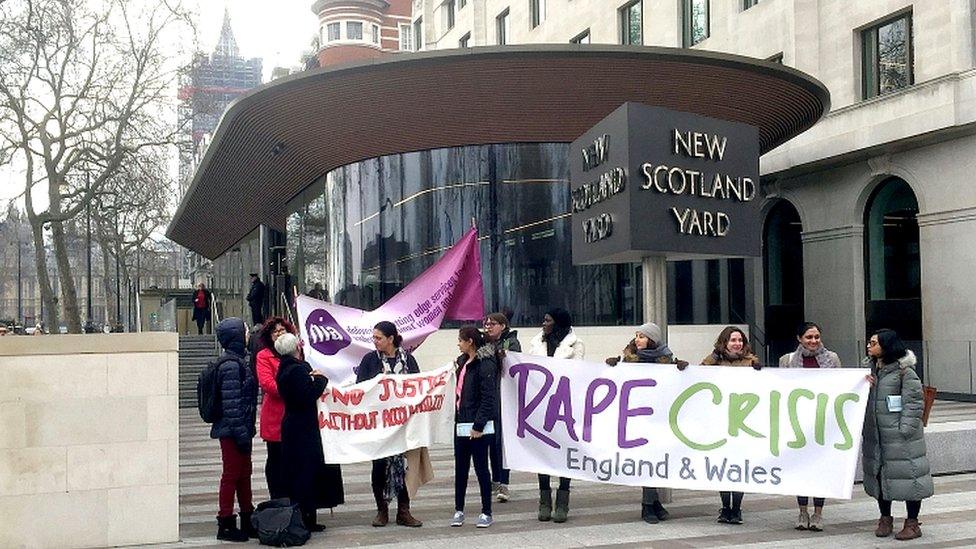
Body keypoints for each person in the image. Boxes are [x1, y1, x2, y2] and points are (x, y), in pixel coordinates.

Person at [606, 322, 686, 524]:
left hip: (659, 418)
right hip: (637, 417)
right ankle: (647, 506)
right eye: (636, 335)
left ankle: (654, 503)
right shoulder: (629, 360)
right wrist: (613, 367)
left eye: (642, 336)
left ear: (652, 339)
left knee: (656, 460)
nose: (637, 340)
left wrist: (681, 369)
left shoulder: (666, 360)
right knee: (646, 460)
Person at [863, 329, 933, 540]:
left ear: (886, 346)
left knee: (909, 479)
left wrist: (904, 431)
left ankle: (912, 522)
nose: (869, 346)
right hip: (878, 436)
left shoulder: (905, 372)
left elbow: (913, 405)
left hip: (901, 439)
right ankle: (885, 518)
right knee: (880, 476)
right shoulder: (871, 371)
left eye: (873, 343)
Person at [356, 321, 423, 528]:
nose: (374, 341)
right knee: (379, 467)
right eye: (373, 337)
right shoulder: (369, 360)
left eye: (378, 338)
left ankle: (404, 510)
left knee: (405, 466)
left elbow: (419, 386)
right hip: (379, 425)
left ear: (391, 339)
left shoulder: (408, 360)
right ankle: (382, 510)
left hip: (404, 425)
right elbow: (361, 389)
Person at [779, 321, 841, 531]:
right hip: (798, 424)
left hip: (824, 422)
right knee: (801, 468)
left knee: (820, 468)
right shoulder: (787, 361)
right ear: (799, 338)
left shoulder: (832, 359)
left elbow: (842, 387)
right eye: (809, 337)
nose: (813, 341)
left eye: (816, 337)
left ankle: (818, 513)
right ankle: (802, 511)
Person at [527, 308, 584, 523]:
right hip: (541, 407)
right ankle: (544, 501)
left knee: (563, 454)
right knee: (543, 455)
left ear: (558, 323)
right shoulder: (536, 343)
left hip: (564, 408)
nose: (543, 323)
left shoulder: (576, 345)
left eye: (547, 320)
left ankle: (563, 502)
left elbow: (578, 374)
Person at [700, 326, 761, 525]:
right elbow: (697, 377)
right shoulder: (714, 361)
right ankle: (725, 507)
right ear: (724, 342)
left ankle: (737, 508)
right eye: (733, 340)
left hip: (742, 423)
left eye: (740, 340)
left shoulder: (752, 363)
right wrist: (712, 358)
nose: (737, 344)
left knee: (739, 465)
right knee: (724, 466)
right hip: (720, 422)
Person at [209, 317, 258, 542]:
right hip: (232, 431)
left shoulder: (239, 361)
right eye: (245, 331)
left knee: (243, 475)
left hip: (239, 430)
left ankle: (247, 517)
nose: (248, 334)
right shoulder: (231, 366)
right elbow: (232, 405)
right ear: (236, 336)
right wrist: (241, 434)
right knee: (231, 475)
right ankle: (226, 523)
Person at [275, 332, 329, 532]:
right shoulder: (296, 371)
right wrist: (321, 381)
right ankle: (306, 517)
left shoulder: (285, 368)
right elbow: (307, 396)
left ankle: (306, 515)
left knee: (300, 471)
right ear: (297, 347)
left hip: (294, 425)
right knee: (305, 471)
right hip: (302, 427)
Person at [451, 326, 497, 529]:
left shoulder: (485, 364)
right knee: (460, 469)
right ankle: (459, 509)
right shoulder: (462, 362)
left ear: (470, 341)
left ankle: (486, 511)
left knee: (481, 469)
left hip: (478, 427)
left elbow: (489, 398)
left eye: (460, 340)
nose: (458, 344)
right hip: (461, 423)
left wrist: (478, 425)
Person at [254, 317, 296, 499]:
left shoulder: (297, 352)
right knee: (276, 459)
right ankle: (278, 501)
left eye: (282, 330)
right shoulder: (263, 356)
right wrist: (295, 390)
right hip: (275, 416)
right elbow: (267, 384)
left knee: (295, 461)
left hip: (295, 415)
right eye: (275, 331)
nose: (279, 334)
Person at [483, 312, 521, 503]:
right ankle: (495, 479)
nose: (488, 327)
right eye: (486, 323)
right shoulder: (486, 344)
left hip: (505, 400)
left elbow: (509, 362)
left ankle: (504, 482)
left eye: (492, 324)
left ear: (503, 326)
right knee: (490, 442)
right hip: (489, 399)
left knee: (502, 443)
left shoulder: (510, 343)